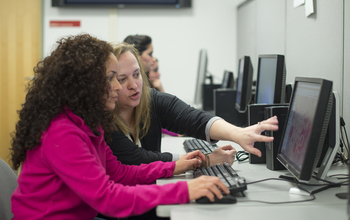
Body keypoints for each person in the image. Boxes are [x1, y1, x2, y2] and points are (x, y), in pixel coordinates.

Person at [10, 34, 230, 220]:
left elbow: (120, 174)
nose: (118, 87)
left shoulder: (89, 122)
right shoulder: (62, 132)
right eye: (112, 78)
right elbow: (108, 198)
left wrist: (177, 167)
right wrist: (183, 190)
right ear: (85, 85)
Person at [109, 42, 279, 168]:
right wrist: (204, 161)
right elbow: (140, 159)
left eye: (137, 74)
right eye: (122, 79)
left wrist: (238, 133)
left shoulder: (149, 101)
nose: (134, 85)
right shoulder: (105, 120)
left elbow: (193, 118)